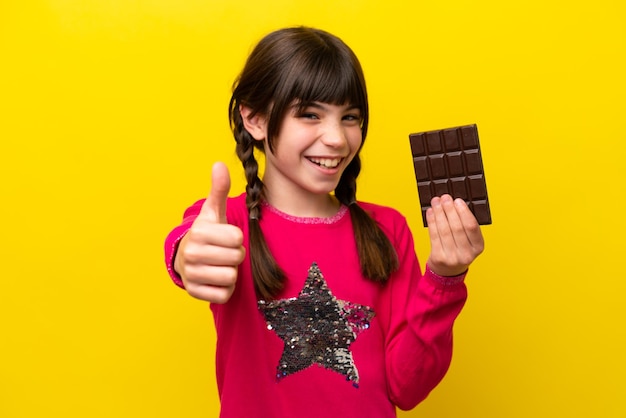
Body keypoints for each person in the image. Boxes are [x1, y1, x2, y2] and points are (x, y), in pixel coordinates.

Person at [164, 26, 484, 418]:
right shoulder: (226, 224)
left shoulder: (387, 231)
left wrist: (444, 277)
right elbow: (188, 245)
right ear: (256, 119)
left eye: (350, 117)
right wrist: (187, 256)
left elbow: (408, 387)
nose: (336, 138)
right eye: (310, 114)